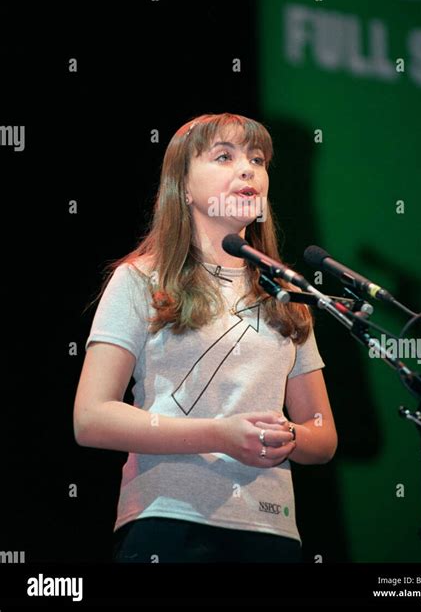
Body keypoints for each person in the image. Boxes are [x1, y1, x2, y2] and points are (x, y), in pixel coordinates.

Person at [73, 112, 338, 563]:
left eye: (257, 159)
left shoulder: (286, 296)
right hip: (167, 524)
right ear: (184, 186)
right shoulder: (140, 279)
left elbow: (323, 436)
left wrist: (288, 436)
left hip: (271, 531)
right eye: (224, 156)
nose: (247, 169)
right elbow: (91, 419)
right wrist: (218, 434)